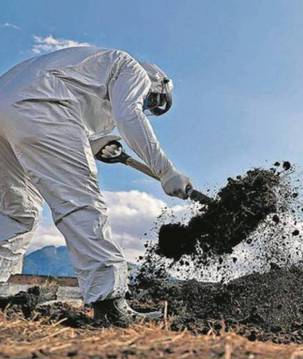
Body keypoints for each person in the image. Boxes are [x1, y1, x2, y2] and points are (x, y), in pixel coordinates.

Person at [0, 46, 192, 326]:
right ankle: (110, 304)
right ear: (157, 81)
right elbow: (129, 115)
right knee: (82, 202)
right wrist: (166, 171)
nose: (147, 106)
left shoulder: (88, 70)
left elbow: (61, 127)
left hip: (10, 107)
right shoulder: (131, 68)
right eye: (152, 101)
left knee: (18, 211)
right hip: (41, 105)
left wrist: (97, 144)